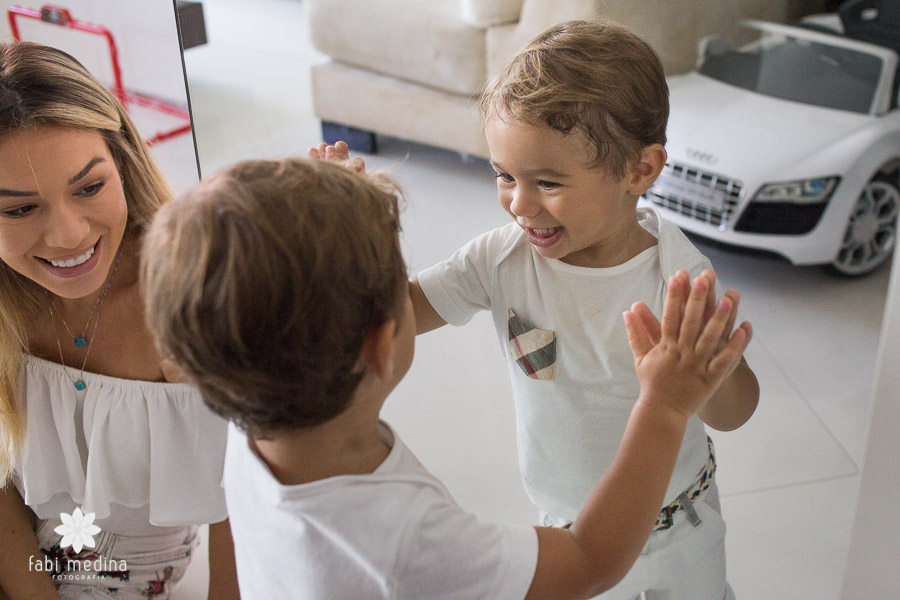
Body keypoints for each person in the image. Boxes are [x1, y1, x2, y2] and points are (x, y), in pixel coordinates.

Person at [140, 156, 751, 599]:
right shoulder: (411, 541)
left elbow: (263, 302)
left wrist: (326, 219)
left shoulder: (246, 427)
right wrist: (664, 409)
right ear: (384, 343)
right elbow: (590, 561)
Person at [399, 20, 760, 600]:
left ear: (639, 170)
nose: (519, 204)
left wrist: (703, 372)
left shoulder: (678, 280)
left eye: (546, 182)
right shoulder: (500, 259)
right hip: (564, 527)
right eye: (504, 176)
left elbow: (735, 412)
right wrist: (355, 232)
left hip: (672, 535)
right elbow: (397, 317)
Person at [0, 42, 238, 599]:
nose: (68, 236)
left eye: (89, 188)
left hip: (126, 578)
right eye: (18, 208)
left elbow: (243, 499)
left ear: (124, 161)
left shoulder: (186, 298)